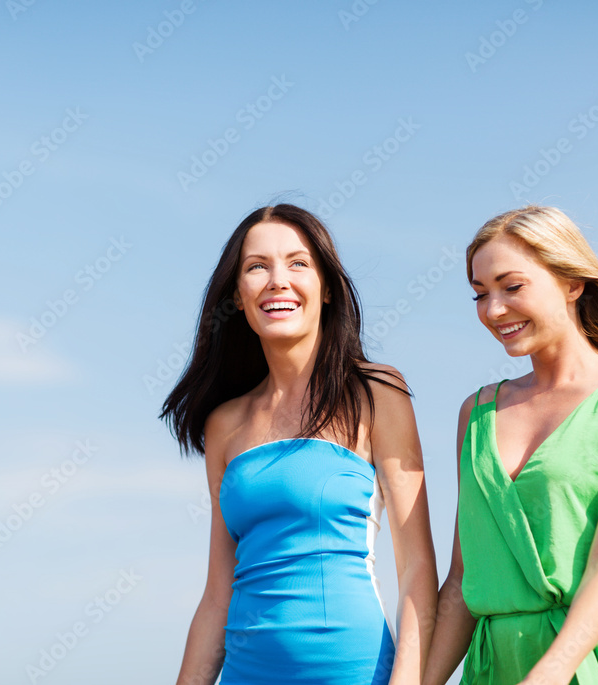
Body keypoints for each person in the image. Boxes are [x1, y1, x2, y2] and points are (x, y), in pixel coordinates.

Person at [162, 203, 438, 685]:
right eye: (256, 267)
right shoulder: (224, 424)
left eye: (298, 263)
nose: (277, 280)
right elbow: (216, 594)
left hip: (353, 672)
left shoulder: (376, 393)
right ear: (238, 297)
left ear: (327, 288)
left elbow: (417, 571)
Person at [423, 206, 598, 685]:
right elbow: (462, 581)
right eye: (480, 294)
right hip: (496, 666)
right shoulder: (476, 412)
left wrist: (547, 676)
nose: (493, 309)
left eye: (512, 286)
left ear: (572, 283)